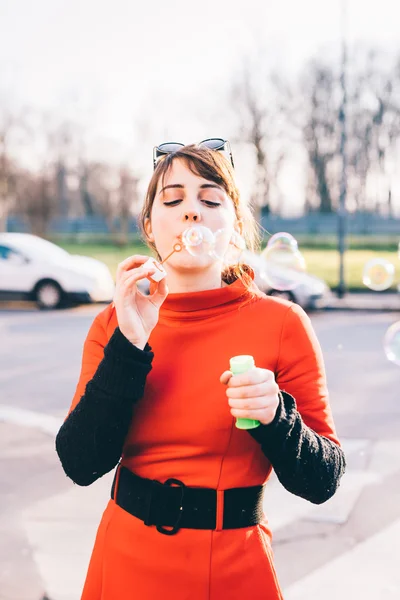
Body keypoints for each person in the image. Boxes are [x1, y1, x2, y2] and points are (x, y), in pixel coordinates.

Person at [55, 140, 346, 600]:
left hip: (232, 570)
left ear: (233, 227)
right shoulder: (114, 322)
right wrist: (130, 343)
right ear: (151, 226)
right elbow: (80, 463)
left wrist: (277, 416)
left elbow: (323, 480)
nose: (192, 212)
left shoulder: (282, 323)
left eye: (211, 200)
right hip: (125, 565)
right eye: (173, 199)